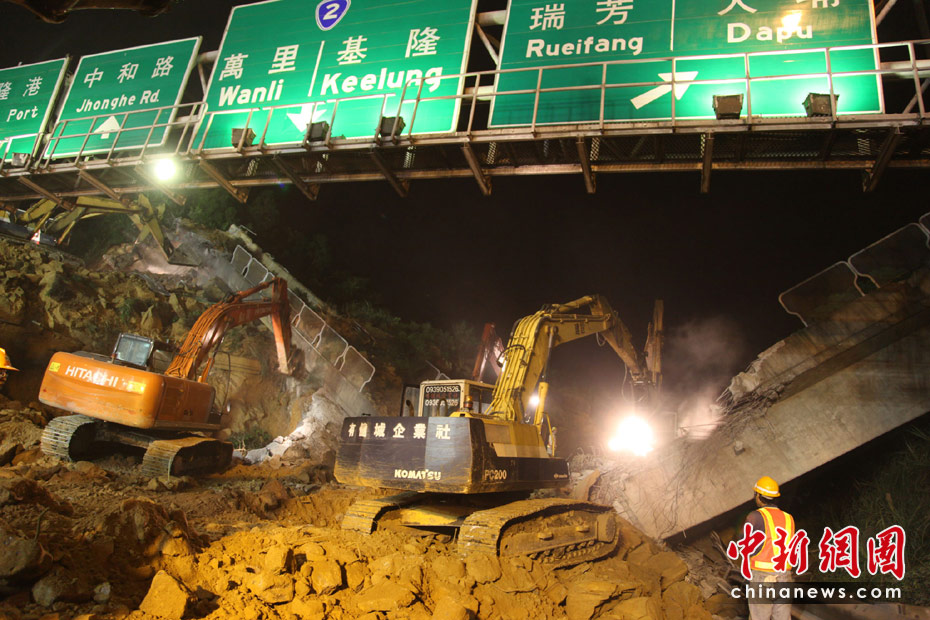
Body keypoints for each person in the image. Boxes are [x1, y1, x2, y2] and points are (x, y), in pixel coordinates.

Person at [744, 476, 794, 620]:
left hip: (762, 576)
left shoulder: (755, 516)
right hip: (784, 577)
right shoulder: (788, 518)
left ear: (759, 496)